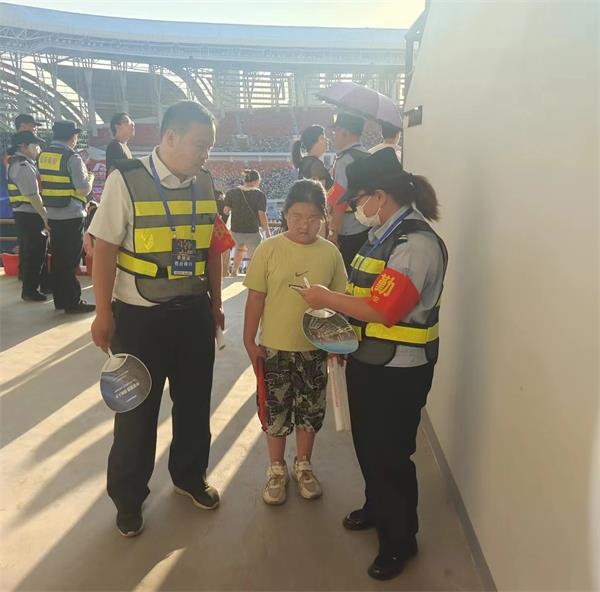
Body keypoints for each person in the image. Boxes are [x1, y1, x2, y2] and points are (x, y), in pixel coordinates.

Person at [299, 148, 448, 581]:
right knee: (368, 445)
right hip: (369, 360)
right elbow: (361, 295)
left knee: (391, 455)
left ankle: (400, 541)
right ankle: (377, 507)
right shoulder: (382, 235)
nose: (355, 209)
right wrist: (338, 335)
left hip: (399, 371)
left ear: (380, 196)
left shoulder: (415, 245)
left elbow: (383, 309)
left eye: (359, 199)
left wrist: (325, 298)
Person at [89, 100, 223, 537]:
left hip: (193, 313)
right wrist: (103, 313)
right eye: (200, 145)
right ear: (170, 137)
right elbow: (104, 248)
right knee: (136, 413)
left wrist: (216, 303)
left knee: (195, 405)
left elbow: (212, 249)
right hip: (139, 319)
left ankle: (189, 476)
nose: (205, 154)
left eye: (209, 146)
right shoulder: (126, 180)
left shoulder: (205, 182)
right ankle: (128, 498)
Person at [243, 179, 347, 505]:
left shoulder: (330, 253)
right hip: (274, 348)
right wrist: (249, 340)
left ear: (324, 218)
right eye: (297, 216)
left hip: (315, 349)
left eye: (314, 217)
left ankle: (303, 465)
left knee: (309, 411)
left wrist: (337, 345)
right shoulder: (268, 249)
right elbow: (256, 297)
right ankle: (276, 468)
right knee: (275, 412)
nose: (305, 225)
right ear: (285, 214)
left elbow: (340, 302)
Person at [38, 120, 95, 313]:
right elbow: (82, 188)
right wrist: (90, 178)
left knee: (58, 258)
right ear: (72, 136)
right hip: (71, 215)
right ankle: (72, 302)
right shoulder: (72, 157)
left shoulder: (42, 156)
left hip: (51, 214)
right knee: (70, 261)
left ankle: (60, 300)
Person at [6, 130, 49, 301]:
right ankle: (30, 290)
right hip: (29, 214)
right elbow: (32, 194)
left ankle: (38, 286)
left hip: (28, 213)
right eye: (35, 145)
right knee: (34, 253)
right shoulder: (22, 166)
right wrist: (45, 216)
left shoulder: (25, 164)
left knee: (37, 252)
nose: (38, 148)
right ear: (23, 146)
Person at [326, 112, 370, 273]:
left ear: (345, 132)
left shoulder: (344, 160)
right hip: (367, 226)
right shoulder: (368, 156)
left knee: (344, 274)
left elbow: (340, 200)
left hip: (349, 229)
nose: (334, 136)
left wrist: (333, 232)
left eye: (336, 131)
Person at [223, 169, 270, 275]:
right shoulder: (259, 195)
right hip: (252, 230)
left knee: (240, 248)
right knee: (254, 254)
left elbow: (226, 211)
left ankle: (234, 270)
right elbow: (261, 215)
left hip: (235, 230)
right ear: (256, 181)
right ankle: (250, 273)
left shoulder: (232, 192)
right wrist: (267, 231)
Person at [291, 125, 333, 190]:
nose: (327, 140)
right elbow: (323, 192)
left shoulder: (305, 162)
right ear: (317, 141)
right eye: (323, 137)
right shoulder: (316, 164)